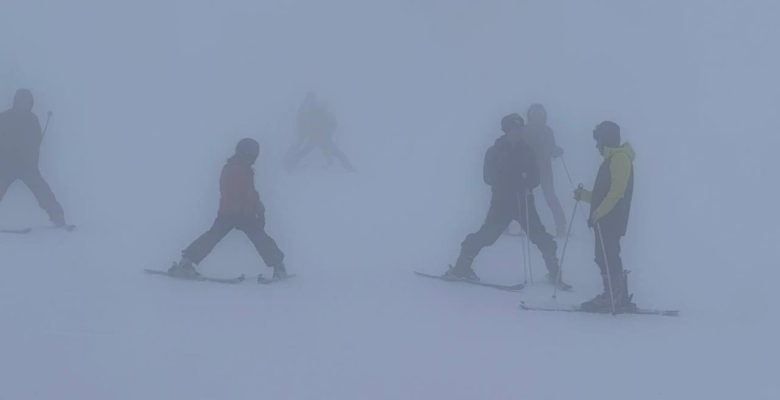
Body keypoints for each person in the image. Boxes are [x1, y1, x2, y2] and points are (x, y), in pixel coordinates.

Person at [444, 114, 570, 289]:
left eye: (519, 129)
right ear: (506, 130)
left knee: (540, 237)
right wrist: (510, 180)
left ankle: (555, 273)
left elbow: (535, 178)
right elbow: (488, 177)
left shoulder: (528, 151)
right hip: (501, 203)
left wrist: (526, 182)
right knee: (486, 236)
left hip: (524, 202)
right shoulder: (495, 151)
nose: (517, 133)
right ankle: (461, 268)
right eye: (513, 129)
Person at [168, 138, 288, 281]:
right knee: (258, 238)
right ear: (246, 153)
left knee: (215, 236)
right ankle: (278, 266)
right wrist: (253, 211)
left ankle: (186, 262)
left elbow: (250, 192)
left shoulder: (241, 168)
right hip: (237, 213)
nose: (254, 159)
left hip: (233, 213)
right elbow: (238, 193)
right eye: (253, 155)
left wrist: (258, 207)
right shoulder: (236, 169)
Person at [574, 121, 636, 312]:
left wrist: (598, 213)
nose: (596, 146)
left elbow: (617, 192)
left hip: (611, 218)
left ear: (604, 140)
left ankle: (613, 296)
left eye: (598, 141)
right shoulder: (613, 159)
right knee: (605, 255)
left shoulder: (619, 159)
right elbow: (603, 194)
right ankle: (617, 295)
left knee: (607, 255)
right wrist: (584, 196)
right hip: (607, 217)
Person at [0, 89, 68, 228]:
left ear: (30, 103)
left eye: (26, 102)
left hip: (26, 166)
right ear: (16, 101)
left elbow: (35, 144)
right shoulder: (4, 117)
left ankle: (58, 218)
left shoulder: (32, 119)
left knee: (43, 192)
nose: (23, 104)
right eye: (21, 101)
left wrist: (33, 164)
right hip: (6, 165)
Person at [522, 104, 567, 237]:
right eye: (535, 114)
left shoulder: (546, 131)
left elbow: (551, 148)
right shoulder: (526, 131)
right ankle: (520, 225)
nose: (537, 116)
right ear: (530, 115)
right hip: (529, 169)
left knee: (549, 196)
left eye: (539, 114)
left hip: (543, 169)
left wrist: (556, 151)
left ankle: (561, 226)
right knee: (525, 196)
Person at [285, 92, 355, 172]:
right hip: (319, 138)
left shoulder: (313, 112)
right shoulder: (315, 112)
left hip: (319, 138)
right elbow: (331, 124)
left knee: (305, 152)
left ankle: (291, 165)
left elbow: (331, 124)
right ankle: (348, 167)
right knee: (336, 153)